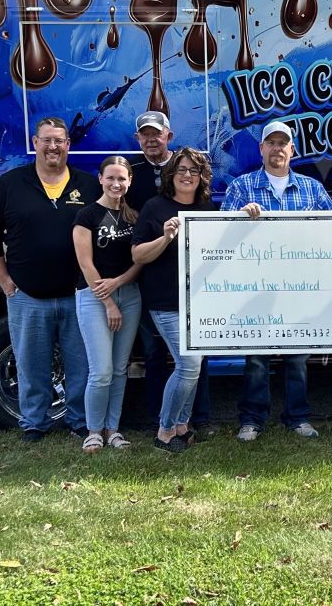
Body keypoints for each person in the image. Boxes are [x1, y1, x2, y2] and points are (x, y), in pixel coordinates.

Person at [0, 117, 99, 443]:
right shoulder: (12, 183)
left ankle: (79, 421)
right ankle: (34, 423)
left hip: (78, 295)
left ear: (68, 145)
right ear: (35, 143)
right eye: (46, 140)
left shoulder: (88, 186)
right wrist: (4, 280)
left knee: (81, 366)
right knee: (31, 366)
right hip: (27, 295)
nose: (52, 147)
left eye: (59, 140)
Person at [222, 120, 332, 442]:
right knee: (256, 358)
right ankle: (252, 420)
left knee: (297, 359)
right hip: (254, 288)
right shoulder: (241, 188)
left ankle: (297, 417)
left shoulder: (312, 189)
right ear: (261, 149)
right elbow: (219, 237)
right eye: (270, 142)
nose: (277, 148)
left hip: (299, 289)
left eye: (282, 143)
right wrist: (240, 217)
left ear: (292, 149)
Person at [126, 111, 216, 436]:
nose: (187, 175)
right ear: (172, 174)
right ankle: (164, 426)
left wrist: (248, 215)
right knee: (184, 364)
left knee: (194, 365)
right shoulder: (155, 207)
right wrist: (164, 237)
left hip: (200, 304)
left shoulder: (207, 209)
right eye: (181, 170)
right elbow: (137, 253)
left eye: (193, 170)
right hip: (164, 301)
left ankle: (184, 424)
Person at [72, 156, 144, 453]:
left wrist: (120, 283)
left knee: (119, 368)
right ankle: (93, 431)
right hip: (93, 297)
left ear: (129, 182)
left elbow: (139, 261)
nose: (116, 184)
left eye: (122, 179)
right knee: (100, 370)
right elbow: (86, 264)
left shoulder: (133, 218)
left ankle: (113, 430)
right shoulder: (86, 216)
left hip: (129, 295)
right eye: (111, 178)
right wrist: (108, 302)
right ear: (100, 179)